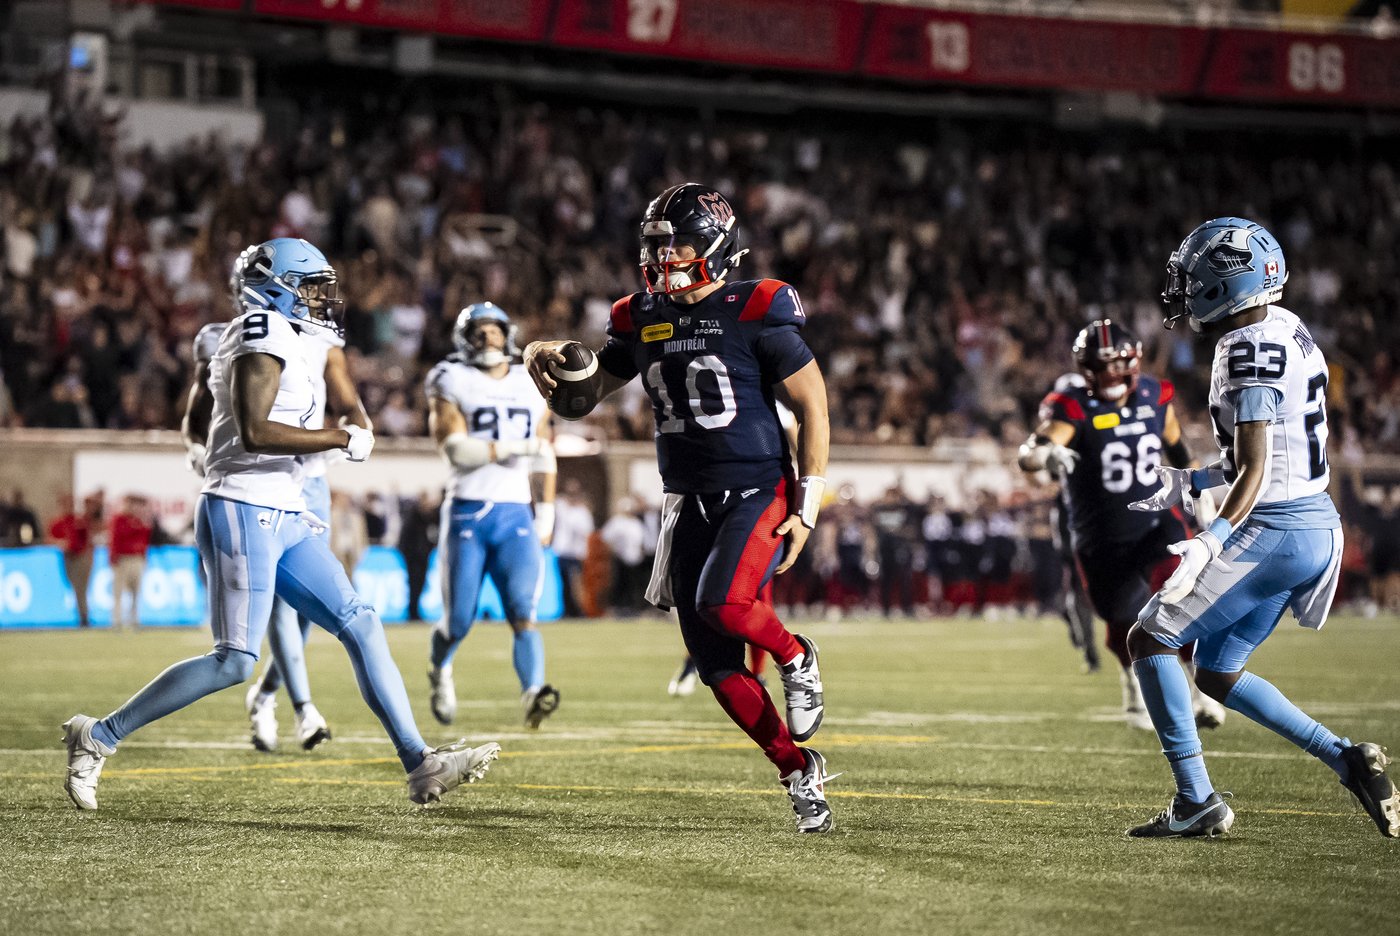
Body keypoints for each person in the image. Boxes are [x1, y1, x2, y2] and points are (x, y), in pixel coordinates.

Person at [61, 237, 499, 811]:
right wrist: (341, 438)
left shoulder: (291, 336)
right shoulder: (260, 332)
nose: (322, 300)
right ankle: (98, 735)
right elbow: (255, 431)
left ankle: (420, 763)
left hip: (284, 507)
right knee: (234, 661)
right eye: (312, 288)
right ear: (277, 286)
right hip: (241, 505)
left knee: (360, 622)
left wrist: (341, 432)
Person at [525, 183, 835, 834]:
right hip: (686, 500)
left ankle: (795, 655)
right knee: (717, 665)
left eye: (678, 243)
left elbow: (813, 405)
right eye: (657, 245)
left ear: (717, 245)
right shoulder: (641, 318)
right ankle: (795, 768)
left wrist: (806, 502)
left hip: (757, 488)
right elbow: (579, 401)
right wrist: (541, 364)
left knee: (726, 604)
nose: (664, 257)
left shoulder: (755, 308)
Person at [1122, 216, 1396, 839]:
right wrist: (1188, 481)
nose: (1185, 290)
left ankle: (1196, 802)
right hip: (1311, 522)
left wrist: (1210, 539)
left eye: (1194, 279)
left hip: (1272, 528)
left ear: (1228, 283)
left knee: (1151, 639)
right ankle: (1348, 758)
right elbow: (1266, 452)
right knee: (1216, 671)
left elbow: (1253, 469)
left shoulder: (1247, 348)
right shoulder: (1285, 327)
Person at [184, 245, 373, 753]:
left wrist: (358, 427)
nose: (318, 297)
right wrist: (197, 452)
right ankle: (304, 708)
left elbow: (348, 399)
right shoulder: (239, 336)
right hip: (256, 483)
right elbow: (203, 416)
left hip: (307, 480)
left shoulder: (321, 338)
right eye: (308, 286)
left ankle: (266, 694)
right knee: (275, 614)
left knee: (315, 611)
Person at [1018, 320, 1226, 731]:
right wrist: (1044, 459)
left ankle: (1201, 691)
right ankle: (1132, 680)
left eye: (1117, 366)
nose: (1111, 377)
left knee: (1180, 599)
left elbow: (1180, 450)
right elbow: (1032, 455)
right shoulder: (1072, 404)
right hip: (1102, 535)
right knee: (1119, 620)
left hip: (1158, 522)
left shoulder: (1154, 393)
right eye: (1101, 367)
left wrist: (1202, 497)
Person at [424, 302, 560, 730]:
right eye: (479, 332)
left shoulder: (528, 381)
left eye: (494, 331)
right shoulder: (451, 377)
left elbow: (544, 449)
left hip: (515, 511)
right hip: (468, 509)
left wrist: (548, 511)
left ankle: (534, 691)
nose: (488, 338)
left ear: (508, 334)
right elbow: (456, 450)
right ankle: (440, 669)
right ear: (465, 339)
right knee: (459, 621)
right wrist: (513, 449)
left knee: (523, 612)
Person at [49, 493, 99, 628]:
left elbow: (89, 537)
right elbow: (50, 537)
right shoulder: (58, 522)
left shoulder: (80, 521)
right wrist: (60, 543)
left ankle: (84, 616)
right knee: (74, 586)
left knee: (81, 587)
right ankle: (82, 614)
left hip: (81, 557)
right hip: (68, 558)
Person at [552, 478, 595, 619]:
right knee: (564, 583)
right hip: (562, 550)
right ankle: (567, 610)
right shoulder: (561, 506)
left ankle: (579, 610)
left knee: (576, 583)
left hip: (576, 552)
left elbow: (587, 531)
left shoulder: (582, 512)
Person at [108, 494, 152, 631]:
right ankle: (117, 620)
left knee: (135, 591)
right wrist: (113, 557)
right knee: (118, 591)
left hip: (137, 558)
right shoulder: (119, 519)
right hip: (123, 559)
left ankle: (134, 619)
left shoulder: (142, 520)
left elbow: (145, 539)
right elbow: (116, 538)